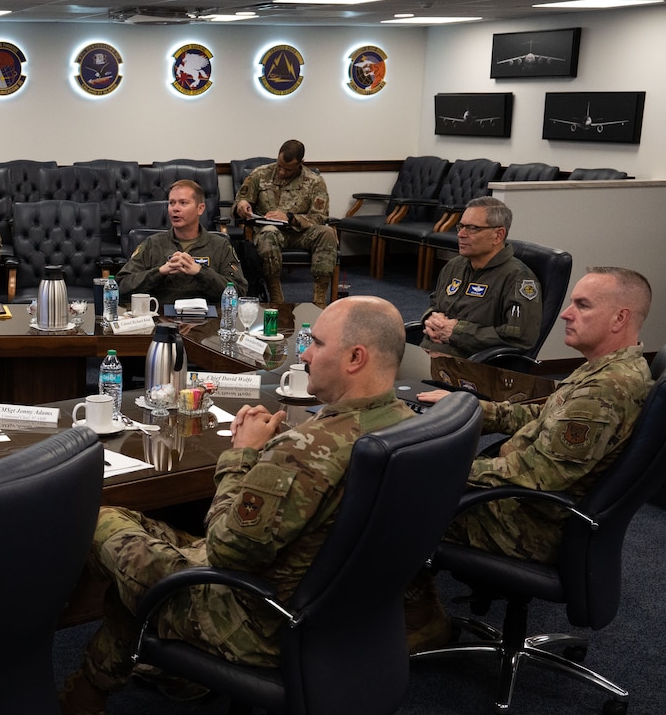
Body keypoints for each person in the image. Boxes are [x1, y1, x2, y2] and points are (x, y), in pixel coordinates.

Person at [59, 296, 413, 715]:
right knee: (138, 556)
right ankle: (118, 684)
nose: (304, 353)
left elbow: (226, 547)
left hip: (254, 621)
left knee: (101, 521)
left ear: (356, 357)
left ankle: (90, 689)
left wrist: (243, 454)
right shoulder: (410, 424)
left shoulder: (307, 450)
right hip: (343, 614)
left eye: (316, 343)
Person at [407, 267, 654, 651]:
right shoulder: (607, 368)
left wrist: (442, 471)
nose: (567, 313)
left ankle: (422, 622)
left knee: (397, 500)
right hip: (537, 504)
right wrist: (471, 405)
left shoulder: (604, 392)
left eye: (582, 305)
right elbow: (540, 417)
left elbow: (538, 476)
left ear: (620, 318)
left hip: (532, 521)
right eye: (571, 302)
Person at [420, 197, 542, 358]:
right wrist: (431, 320)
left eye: (472, 228)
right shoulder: (454, 266)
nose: (461, 234)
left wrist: (457, 332)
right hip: (428, 351)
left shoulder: (518, 278)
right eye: (461, 226)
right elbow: (435, 303)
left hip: (470, 362)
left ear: (498, 235)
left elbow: (519, 337)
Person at [233, 140, 338, 307]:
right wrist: (241, 206)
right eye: (280, 165)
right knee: (268, 233)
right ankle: (276, 297)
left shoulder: (315, 181)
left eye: (288, 169)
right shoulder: (260, 174)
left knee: (327, 233)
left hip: (300, 233)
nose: (282, 172)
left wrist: (290, 218)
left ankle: (319, 299)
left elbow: (319, 217)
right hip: (269, 231)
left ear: (301, 163)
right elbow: (240, 200)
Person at [115, 179, 247, 303]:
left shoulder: (220, 245)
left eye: (183, 203)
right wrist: (159, 272)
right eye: (171, 203)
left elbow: (239, 291)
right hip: (162, 319)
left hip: (208, 322)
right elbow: (121, 285)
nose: (175, 208)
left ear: (200, 208)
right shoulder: (152, 244)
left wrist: (200, 272)